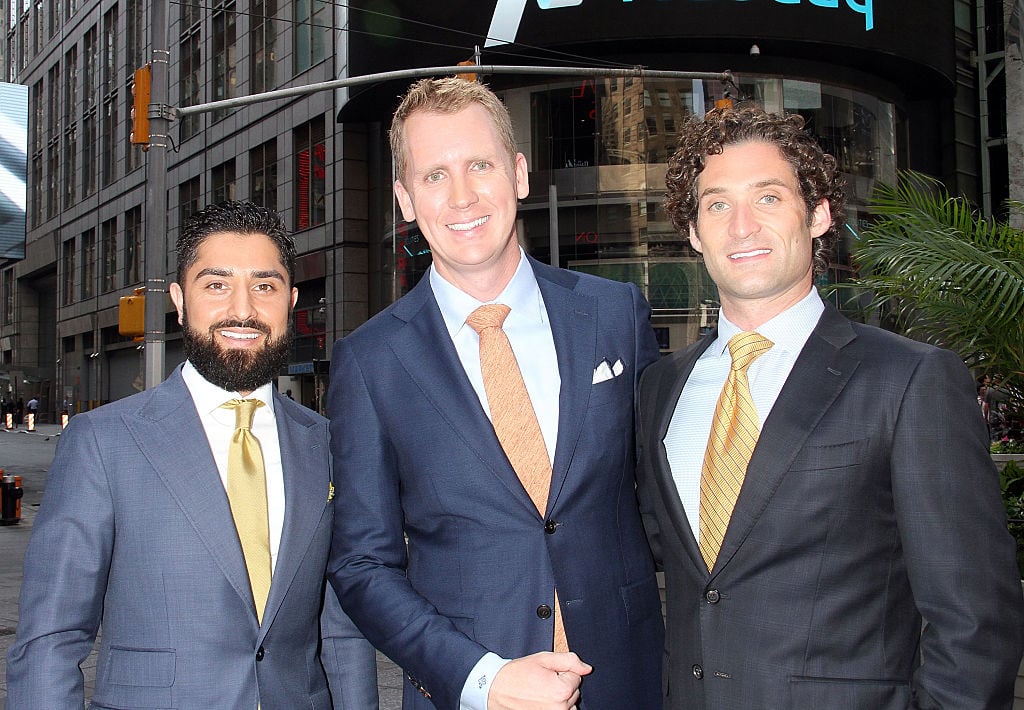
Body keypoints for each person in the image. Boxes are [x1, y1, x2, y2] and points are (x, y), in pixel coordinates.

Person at [636, 107, 1024, 709]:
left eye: (768, 197)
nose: (741, 226)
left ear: (817, 214)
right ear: (693, 232)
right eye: (716, 204)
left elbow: (975, 620)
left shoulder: (910, 379)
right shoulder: (660, 388)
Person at [327, 77, 664, 710]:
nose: (461, 197)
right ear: (404, 199)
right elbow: (361, 566)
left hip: (629, 684)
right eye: (434, 176)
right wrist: (482, 677)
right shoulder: (370, 363)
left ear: (518, 173)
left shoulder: (615, 314)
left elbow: (661, 501)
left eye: (479, 166)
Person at [7, 201, 378, 709]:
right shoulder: (103, 442)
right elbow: (51, 637)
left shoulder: (328, 444)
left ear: (291, 300)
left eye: (264, 286)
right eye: (217, 284)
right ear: (180, 300)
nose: (243, 309)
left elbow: (342, 630)